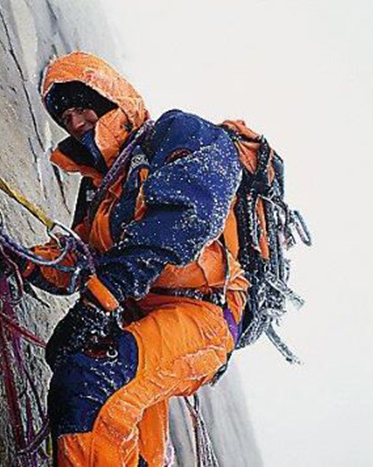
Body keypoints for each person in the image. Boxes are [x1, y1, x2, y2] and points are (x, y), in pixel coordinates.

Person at [22, 51, 251, 466]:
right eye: (65, 118)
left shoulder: (178, 132)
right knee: (126, 434)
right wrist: (23, 261)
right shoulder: (99, 193)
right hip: (143, 318)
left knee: (92, 387)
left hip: (203, 317)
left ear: (110, 96)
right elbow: (80, 258)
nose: (74, 123)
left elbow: (189, 214)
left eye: (80, 106)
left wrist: (99, 301)